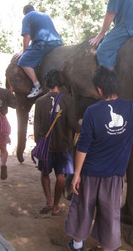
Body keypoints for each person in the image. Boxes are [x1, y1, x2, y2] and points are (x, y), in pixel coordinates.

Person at [64, 61, 133, 251]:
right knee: (110, 214)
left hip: (89, 174)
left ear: (99, 89)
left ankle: (77, 244)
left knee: (83, 208)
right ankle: (109, 247)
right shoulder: (132, 108)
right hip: (114, 177)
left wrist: (76, 175)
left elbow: (83, 146)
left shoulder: (92, 112)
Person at [34, 69, 80, 216]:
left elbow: (37, 126)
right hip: (64, 146)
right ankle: (55, 206)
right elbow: (73, 124)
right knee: (61, 177)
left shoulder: (40, 101)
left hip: (45, 146)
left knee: (45, 173)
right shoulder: (68, 101)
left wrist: (39, 143)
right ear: (61, 83)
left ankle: (47, 201)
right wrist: (83, 127)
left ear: (47, 83)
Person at [15, 5, 63, 98]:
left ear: (24, 13)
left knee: (23, 61)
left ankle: (37, 86)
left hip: (43, 44)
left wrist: (23, 53)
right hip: (57, 42)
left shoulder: (27, 17)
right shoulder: (44, 15)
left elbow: (27, 37)